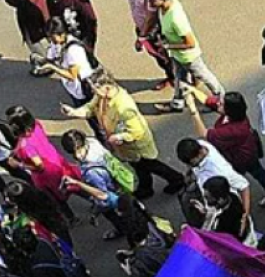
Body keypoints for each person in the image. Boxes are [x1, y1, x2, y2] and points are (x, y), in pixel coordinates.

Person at [63, 69, 183, 198]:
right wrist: (74, 112)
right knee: (140, 167)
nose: (93, 92)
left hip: (136, 146)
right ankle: (146, 188)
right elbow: (90, 108)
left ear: (107, 87)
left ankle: (176, 179)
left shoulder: (124, 107)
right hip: (126, 147)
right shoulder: (102, 96)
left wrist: (119, 136)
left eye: (95, 89)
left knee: (150, 165)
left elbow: (136, 131)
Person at [186, 91, 265, 207]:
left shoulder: (234, 130)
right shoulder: (236, 115)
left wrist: (193, 110)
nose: (218, 105)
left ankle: (262, 198)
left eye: (221, 104)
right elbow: (208, 100)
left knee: (249, 174)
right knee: (259, 172)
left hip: (240, 158)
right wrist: (192, 90)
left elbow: (204, 133)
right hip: (246, 151)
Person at [147, 0, 223, 113]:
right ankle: (177, 103)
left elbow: (190, 43)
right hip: (177, 55)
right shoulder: (166, 5)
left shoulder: (176, 18)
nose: (149, 3)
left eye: (152, 0)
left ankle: (221, 100)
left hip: (189, 57)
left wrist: (168, 45)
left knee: (205, 76)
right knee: (179, 78)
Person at [8, 104, 80, 218]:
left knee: (56, 196)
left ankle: (71, 217)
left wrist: (19, 164)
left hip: (46, 175)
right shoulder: (36, 124)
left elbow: (39, 166)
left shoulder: (25, 146)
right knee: (74, 184)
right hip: (56, 160)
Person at [38, 17, 96, 125]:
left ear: (62, 34)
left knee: (94, 119)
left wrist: (52, 68)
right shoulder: (57, 44)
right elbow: (52, 56)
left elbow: (72, 75)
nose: (52, 41)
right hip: (73, 88)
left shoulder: (73, 50)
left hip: (83, 88)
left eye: (53, 38)